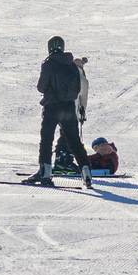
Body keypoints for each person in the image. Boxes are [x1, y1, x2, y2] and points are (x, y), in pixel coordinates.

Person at [30, 36, 87, 185]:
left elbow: (41, 87)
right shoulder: (72, 64)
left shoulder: (48, 64)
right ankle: (86, 172)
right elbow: (78, 88)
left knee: (47, 140)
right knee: (75, 141)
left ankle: (45, 174)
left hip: (51, 107)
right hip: (68, 107)